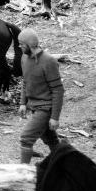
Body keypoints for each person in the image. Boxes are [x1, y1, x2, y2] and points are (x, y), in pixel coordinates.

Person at [18, 28, 64, 164]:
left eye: (21, 44)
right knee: (51, 139)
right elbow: (25, 81)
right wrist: (22, 103)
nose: (19, 46)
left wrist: (55, 117)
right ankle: (63, 163)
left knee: (26, 138)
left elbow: (58, 90)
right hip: (34, 106)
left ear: (30, 45)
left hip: (45, 108)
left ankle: (23, 172)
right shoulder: (24, 58)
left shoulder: (49, 61)